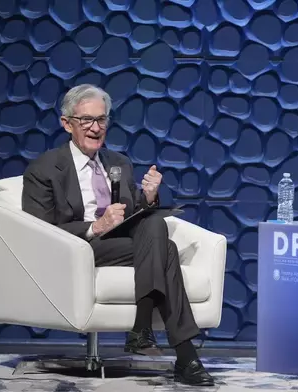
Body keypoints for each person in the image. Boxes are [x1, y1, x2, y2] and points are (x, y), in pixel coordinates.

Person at [21, 84, 214, 387]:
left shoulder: (118, 164)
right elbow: (37, 230)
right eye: (87, 121)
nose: (96, 128)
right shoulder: (44, 169)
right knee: (168, 251)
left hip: (121, 244)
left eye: (102, 120)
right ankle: (180, 353)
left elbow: (133, 212)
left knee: (155, 226)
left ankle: (147, 334)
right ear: (67, 123)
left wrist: (148, 197)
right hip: (77, 247)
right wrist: (94, 227)